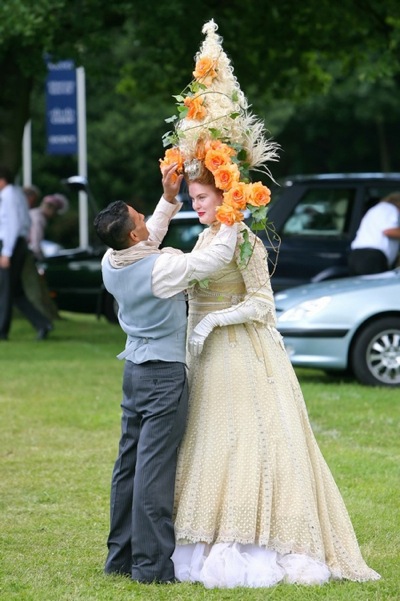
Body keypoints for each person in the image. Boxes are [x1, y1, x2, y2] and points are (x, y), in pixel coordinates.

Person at [159, 20, 381, 588]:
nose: (198, 205)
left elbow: (262, 303)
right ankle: (203, 536)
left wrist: (214, 323)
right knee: (209, 442)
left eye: (203, 197)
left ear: (224, 192)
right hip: (204, 356)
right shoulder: (206, 237)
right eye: (195, 197)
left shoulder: (245, 238)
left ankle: (258, 538)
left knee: (247, 442)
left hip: (242, 351)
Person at [93, 162, 238, 583]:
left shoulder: (112, 259)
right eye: (140, 218)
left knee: (128, 469)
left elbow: (148, 239)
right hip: (161, 377)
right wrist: (232, 212)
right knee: (153, 474)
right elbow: (213, 259)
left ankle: (119, 558)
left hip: (134, 374)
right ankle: (152, 568)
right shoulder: (163, 270)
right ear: (134, 233)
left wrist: (169, 198)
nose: (145, 219)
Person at [0, 166, 53, 341]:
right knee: (15, 292)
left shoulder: (8, 196)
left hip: (11, 244)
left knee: (5, 289)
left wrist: (6, 252)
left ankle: (2, 330)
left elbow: (12, 225)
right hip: (18, 243)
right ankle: (43, 324)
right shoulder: (16, 193)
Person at [348, 192, 400, 275]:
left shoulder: (377, 210)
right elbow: (389, 231)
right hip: (372, 257)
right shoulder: (389, 208)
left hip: (359, 256)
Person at [29, 193, 69, 260]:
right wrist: (40, 258)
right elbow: (36, 241)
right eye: (55, 211)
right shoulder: (39, 219)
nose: (54, 215)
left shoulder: (34, 213)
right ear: (50, 208)